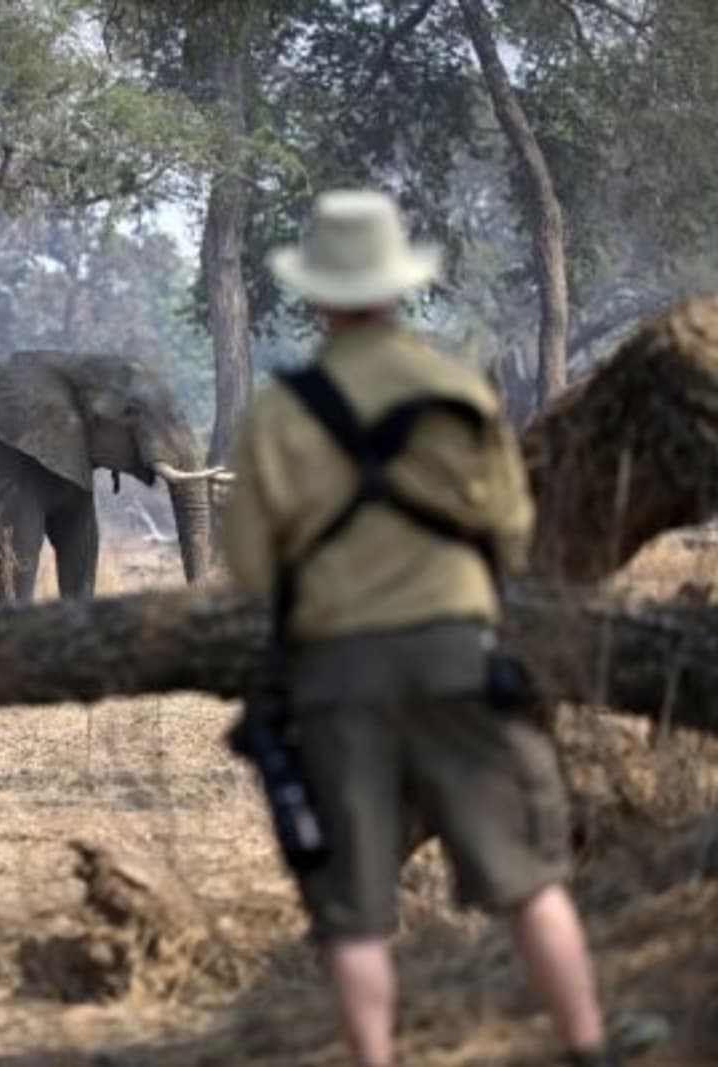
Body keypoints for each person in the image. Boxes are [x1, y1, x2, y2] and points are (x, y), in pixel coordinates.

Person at [222, 191, 614, 1067]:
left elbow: (249, 564)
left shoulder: (280, 416)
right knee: (530, 882)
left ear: (319, 295)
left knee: (354, 914)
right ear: (398, 289)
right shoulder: (459, 394)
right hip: (460, 663)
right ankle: (590, 1049)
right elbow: (514, 534)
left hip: (335, 677)